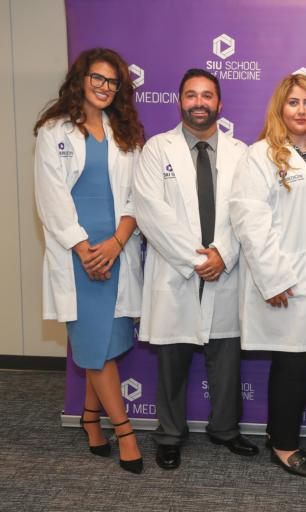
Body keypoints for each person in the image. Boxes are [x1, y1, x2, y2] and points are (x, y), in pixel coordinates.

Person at [134, 68, 258, 470]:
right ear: (179, 101)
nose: (199, 103)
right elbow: (151, 213)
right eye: (191, 95)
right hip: (177, 271)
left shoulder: (242, 153)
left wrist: (223, 253)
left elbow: (249, 213)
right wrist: (196, 259)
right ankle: (169, 435)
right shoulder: (157, 149)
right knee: (172, 360)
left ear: (219, 104)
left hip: (226, 269)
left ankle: (225, 429)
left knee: (225, 358)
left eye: (207, 96)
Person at [229, 74, 306, 478]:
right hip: (283, 280)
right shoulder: (260, 155)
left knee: (302, 360)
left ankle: (277, 432)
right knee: (293, 363)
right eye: (293, 103)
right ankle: (285, 445)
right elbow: (249, 221)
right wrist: (275, 278)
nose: (301, 110)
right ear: (280, 108)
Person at [34, 48, 145, 474]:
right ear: (81, 79)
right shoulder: (54, 130)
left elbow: (138, 195)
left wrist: (117, 242)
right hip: (78, 256)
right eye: (97, 78)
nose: (104, 87)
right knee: (96, 349)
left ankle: (89, 419)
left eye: (112, 81)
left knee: (110, 342)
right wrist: (84, 250)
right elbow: (52, 197)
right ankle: (125, 431)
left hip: (115, 250)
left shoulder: (124, 131)